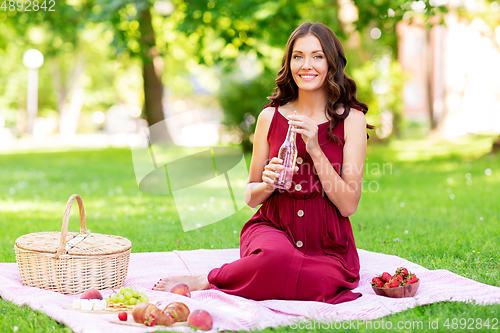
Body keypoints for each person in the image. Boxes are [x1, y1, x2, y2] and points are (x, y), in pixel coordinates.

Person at [153, 22, 371, 304]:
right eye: (298, 56)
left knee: (322, 280)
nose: (307, 65)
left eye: (317, 56)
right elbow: (251, 196)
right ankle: (208, 279)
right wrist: (267, 183)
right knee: (275, 259)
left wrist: (316, 150)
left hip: (326, 241)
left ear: (332, 62)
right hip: (274, 228)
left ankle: (245, 275)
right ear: (289, 63)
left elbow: (348, 204)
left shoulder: (351, 120)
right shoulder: (270, 117)